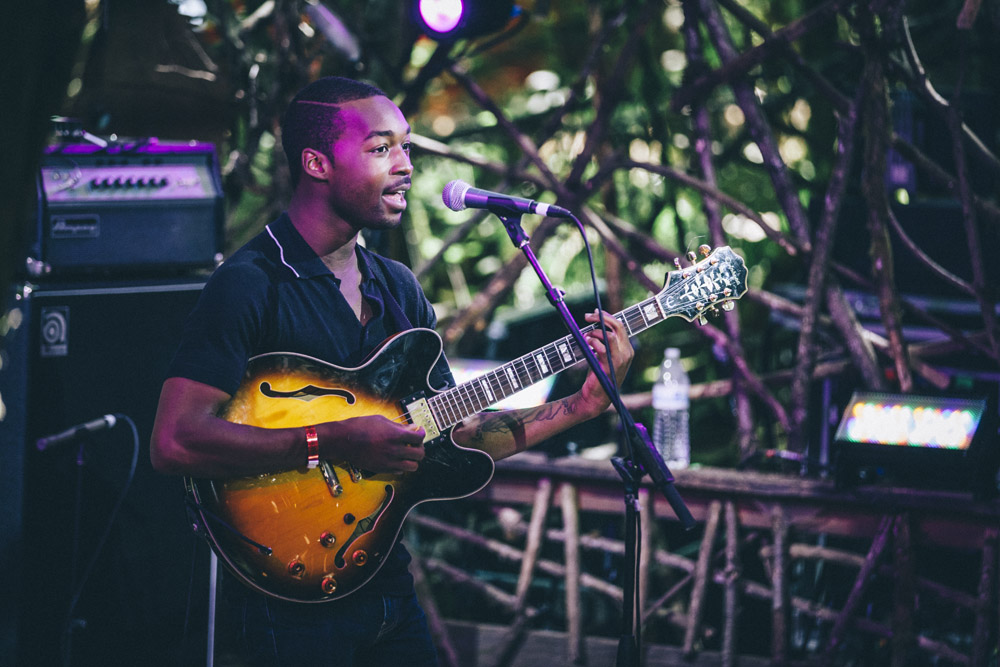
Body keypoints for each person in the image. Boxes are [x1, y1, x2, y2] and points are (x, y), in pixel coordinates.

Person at [150, 75, 633, 666]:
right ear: (317, 163)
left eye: (406, 146)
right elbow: (175, 441)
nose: (405, 164)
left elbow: (456, 433)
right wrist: (329, 442)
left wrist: (582, 405)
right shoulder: (250, 284)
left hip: (383, 585)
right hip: (280, 603)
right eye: (381, 149)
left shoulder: (396, 287)